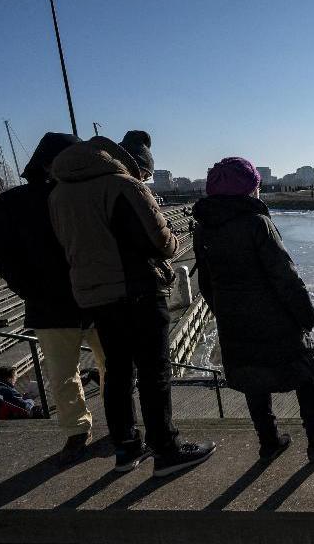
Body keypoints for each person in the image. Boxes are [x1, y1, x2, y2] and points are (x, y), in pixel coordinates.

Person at [49, 130, 214, 476]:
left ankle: (125, 447)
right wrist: (172, 232)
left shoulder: (60, 192)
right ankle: (166, 449)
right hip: (137, 290)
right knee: (155, 373)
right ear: (138, 164)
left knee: (118, 373)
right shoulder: (124, 186)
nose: (146, 179)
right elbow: (163, 244)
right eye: (148, 174)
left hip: (96, 296)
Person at [193, 157, 314, 461]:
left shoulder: (204, 229)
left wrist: (225, 312)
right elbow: (284, 275)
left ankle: (269, 441)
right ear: (250, 190)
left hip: (235, 321)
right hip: (275, 317)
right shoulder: (256, 223)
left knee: (253, 379)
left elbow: (206, 284)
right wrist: (306, 315)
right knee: (305, 373)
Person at [0, 133, 107, 464]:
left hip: (64, 301)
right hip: (86, 298)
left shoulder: (18, 201)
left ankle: (80, 431)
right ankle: (90, 428)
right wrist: (29, 289)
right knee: (97, 367)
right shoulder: (18, 202)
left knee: (66, 372)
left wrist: (28, 289)